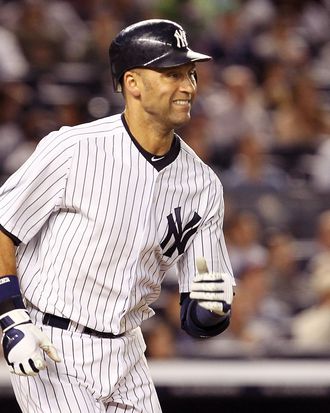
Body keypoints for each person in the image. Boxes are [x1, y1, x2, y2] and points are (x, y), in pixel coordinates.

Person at [0, 19, 235, 413]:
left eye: (190, 74)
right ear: (133, 83)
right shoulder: (73, 149)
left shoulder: (204, 185)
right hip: (53, 345)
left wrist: (215, 310)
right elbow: (4, 229)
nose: (189, 86)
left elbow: (198, 316)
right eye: (172, 74)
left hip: (128, 350)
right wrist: (10, 316)